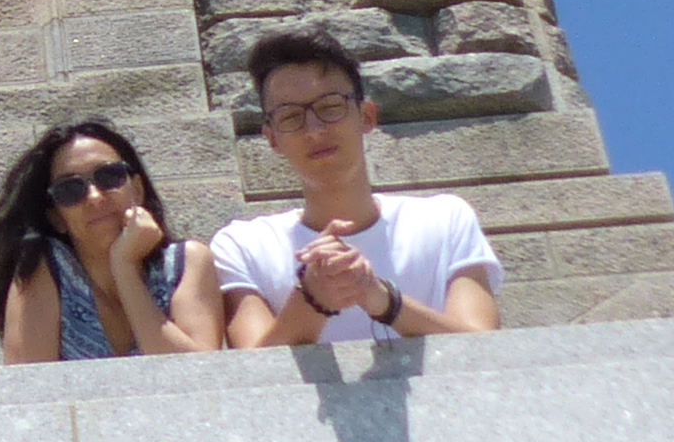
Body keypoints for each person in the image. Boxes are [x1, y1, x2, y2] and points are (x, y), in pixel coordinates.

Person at [213, 31, 504, 346]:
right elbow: (251, 369)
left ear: (366, 116)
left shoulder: (446, 220)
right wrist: (312, 299)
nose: (314, 130)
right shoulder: (242, 246)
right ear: (273, 139)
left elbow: (484, 349)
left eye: (330, 106)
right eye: (291, 117)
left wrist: (384, 300)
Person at [0, 115, 224, 361]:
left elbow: (199, 371)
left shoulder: (186, 263)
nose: (94, 197)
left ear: (137, 189)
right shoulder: (44, 269)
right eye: (70, 189)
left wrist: (125, 269)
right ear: (57, 217)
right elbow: (27, 382)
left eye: (109, 176)